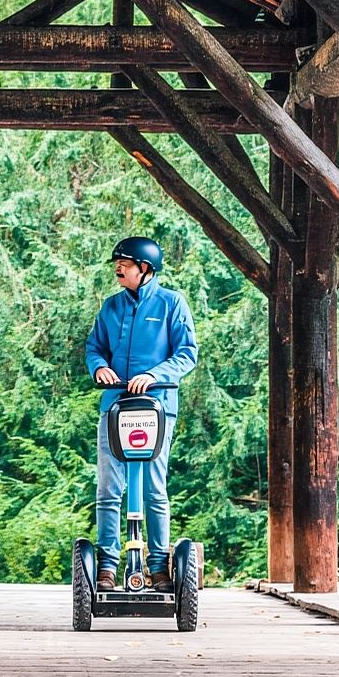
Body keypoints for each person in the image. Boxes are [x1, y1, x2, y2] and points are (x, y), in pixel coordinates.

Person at [85, 236, 197, 593]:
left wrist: (154, 375)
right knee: (108, 488)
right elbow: (94, 347)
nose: (118, 269)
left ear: (145, 269)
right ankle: (107, 566)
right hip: (115, 407)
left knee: (153, 488)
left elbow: (187, 354)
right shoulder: (111, 307)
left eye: (125, 264)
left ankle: (159, 567)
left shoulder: (171, 304)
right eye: (117, 263)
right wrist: (99, 367)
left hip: (156, 408)